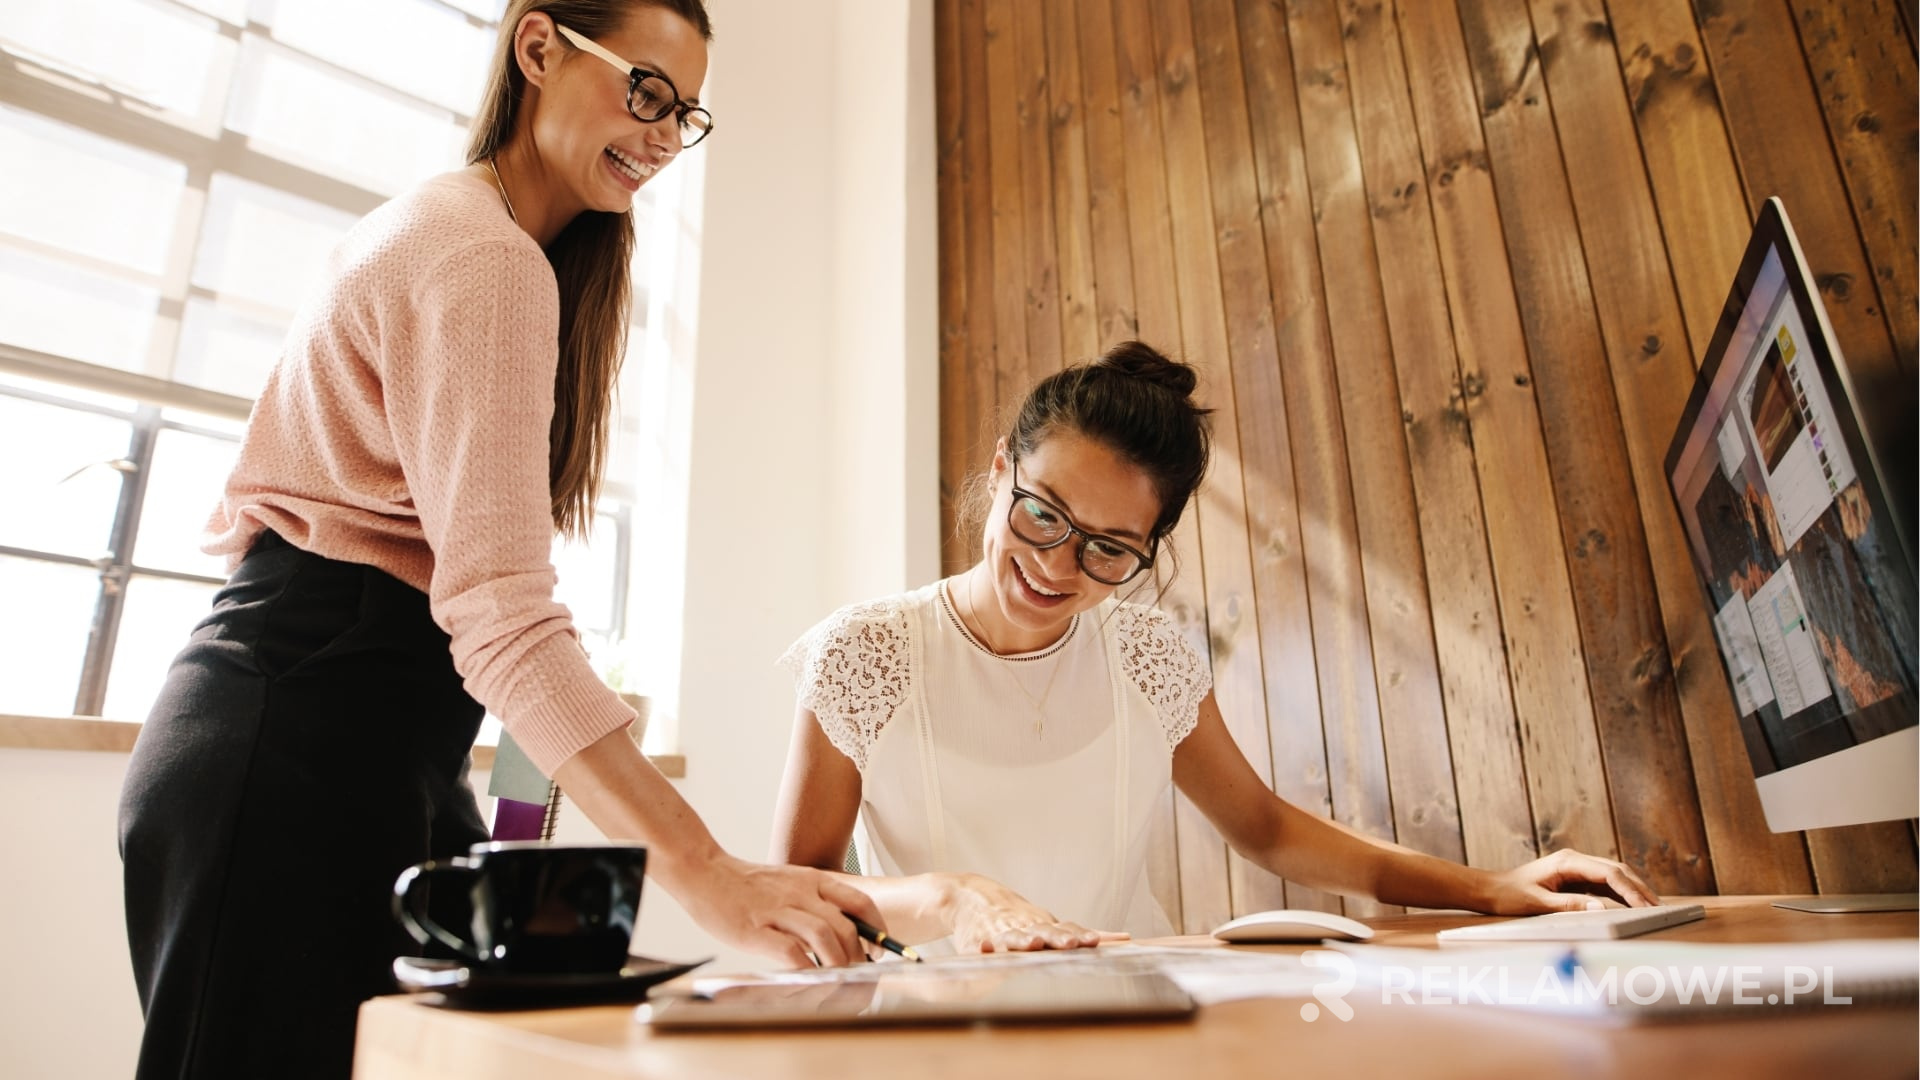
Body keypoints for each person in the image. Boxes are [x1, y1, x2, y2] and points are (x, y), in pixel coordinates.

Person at [117, 3, 881, 1076]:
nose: (665, 135)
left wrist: (514, 820)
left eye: (685, 113)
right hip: (295, 746)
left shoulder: (478, 241)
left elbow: (475, 617)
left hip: (350, 739)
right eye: (646, 90)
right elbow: (502, 619)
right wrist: (710, 874)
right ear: (538, 48)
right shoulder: (484, 257)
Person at [771, 341, 1659, 952]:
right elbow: (796, 891)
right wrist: (951, 896)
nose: (1057, 565)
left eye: (1109, 548)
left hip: (1133, 1014)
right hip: (936, 1033)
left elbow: (1265, 828)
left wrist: (1491, 887)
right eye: (1043, 513)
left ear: (1148, 547)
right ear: (1002, 467)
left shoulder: (1146, 654)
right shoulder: (867, 653)